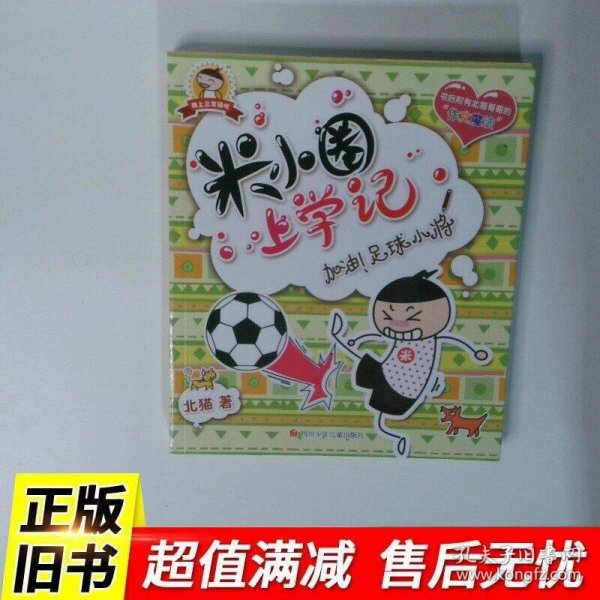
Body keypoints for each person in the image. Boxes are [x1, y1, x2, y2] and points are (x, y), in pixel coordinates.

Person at [329, 269, 491, 457]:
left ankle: (338, 338)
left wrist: (474, 352)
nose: (399, 321)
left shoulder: (429, 338)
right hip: (386, 376)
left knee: (368, 378)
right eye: (389, 313)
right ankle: (338, 338)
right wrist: (358, 339)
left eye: (411, 314)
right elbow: (376, 335)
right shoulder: (399, 336)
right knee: (365, 368)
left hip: (404, 391)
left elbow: (454, 340)